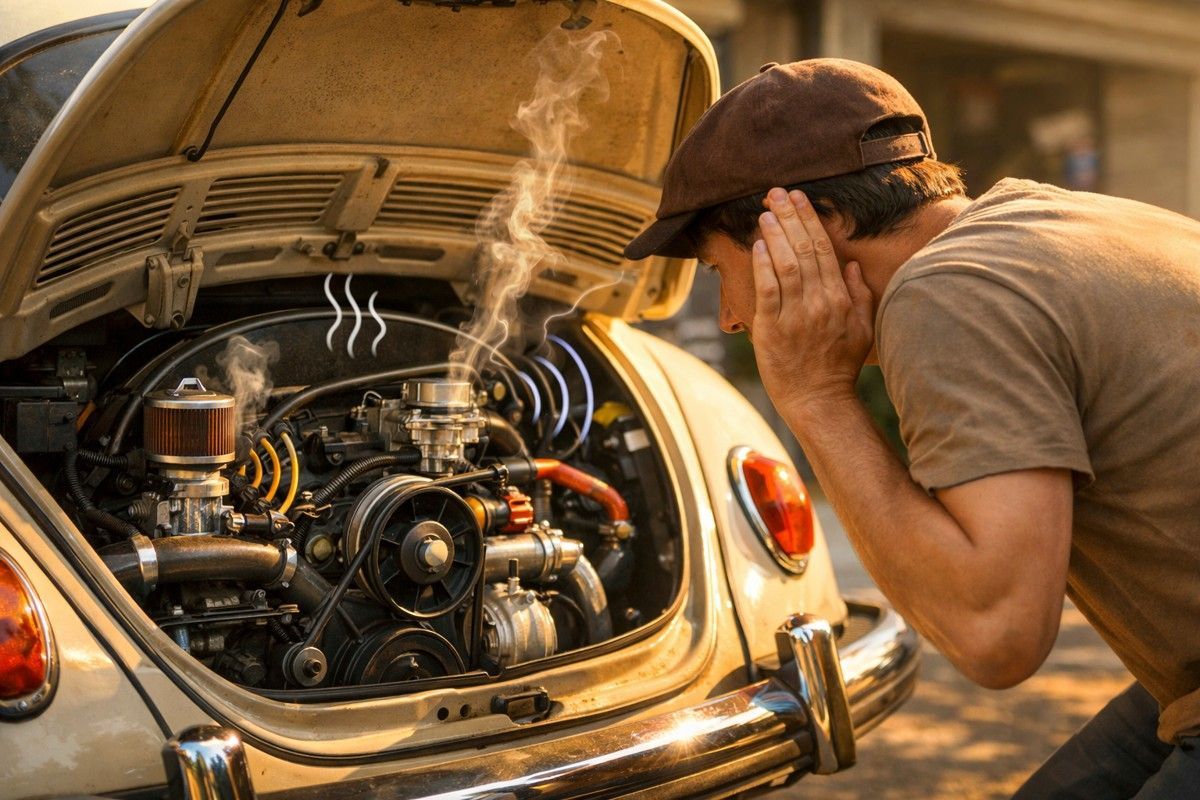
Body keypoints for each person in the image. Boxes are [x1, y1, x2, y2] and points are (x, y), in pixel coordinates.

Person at [623, 58, 1200, 798]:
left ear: (808, 227)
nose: (731, 315)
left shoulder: (948, 294)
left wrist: (816, 398)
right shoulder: (1058, 218)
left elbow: (997, 635)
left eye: (716, 269)